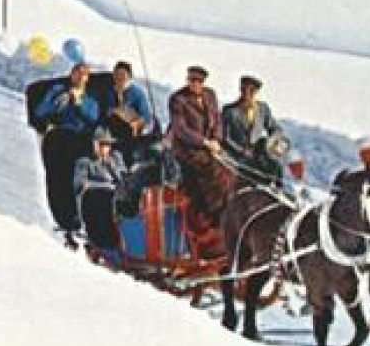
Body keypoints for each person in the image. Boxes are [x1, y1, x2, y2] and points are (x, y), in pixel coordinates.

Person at [33, 60, 102, 247]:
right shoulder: (58, 90)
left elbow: (93, 117)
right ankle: (61, 219)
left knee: (73, 177)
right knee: (55, 177)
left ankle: (75, 219)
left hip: (78, 138)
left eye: (84, 74)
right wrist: (57, 102)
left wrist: (79, 103)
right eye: (76, 72)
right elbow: (40, 111)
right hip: (56, 135)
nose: (80, 77)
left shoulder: (90, 97)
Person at [167, 65, 228, 226]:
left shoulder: (210, 95)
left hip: (211, 148)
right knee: (209, 169)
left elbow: (217, 119)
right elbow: (181, 129)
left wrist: (216, 139)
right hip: (187, 149)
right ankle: (210, 216)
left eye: (198, 81)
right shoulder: (178, 99)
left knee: (228, 170)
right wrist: (206, 142)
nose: (194, 84)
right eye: (191, 80)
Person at [75, 129, 129, 265]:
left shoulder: (115, 159)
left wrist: (112, 167)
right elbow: (80, 184)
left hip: (115, 196)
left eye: (108, 145)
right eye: (102, 144)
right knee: (100, 206)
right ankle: (104, 248)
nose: (106, 148)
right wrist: (102, 184)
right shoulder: (85, 162)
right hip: (96, 197)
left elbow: (124, 178)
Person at [222, 75, 287, 182]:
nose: (247, 94)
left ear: (256, 92)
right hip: (236, 155)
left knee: (275, 167)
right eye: (244, 90)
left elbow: (275, 129)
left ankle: (277, 189)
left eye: (251, 91)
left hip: (258, 153)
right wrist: (241, 150)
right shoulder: (229, 110)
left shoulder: (263, 108)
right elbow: (225, 137)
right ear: (240, 90)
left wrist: (273, 144)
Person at [100, 60, 158, 166]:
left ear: (129, 76)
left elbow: (146, 115)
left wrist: (137, 122)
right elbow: (104, 110)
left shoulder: (137, 92)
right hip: (112, 130)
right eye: (116, 74)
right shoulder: (108, 91)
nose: (119, 77)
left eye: (123, 75)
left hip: (132, 132)